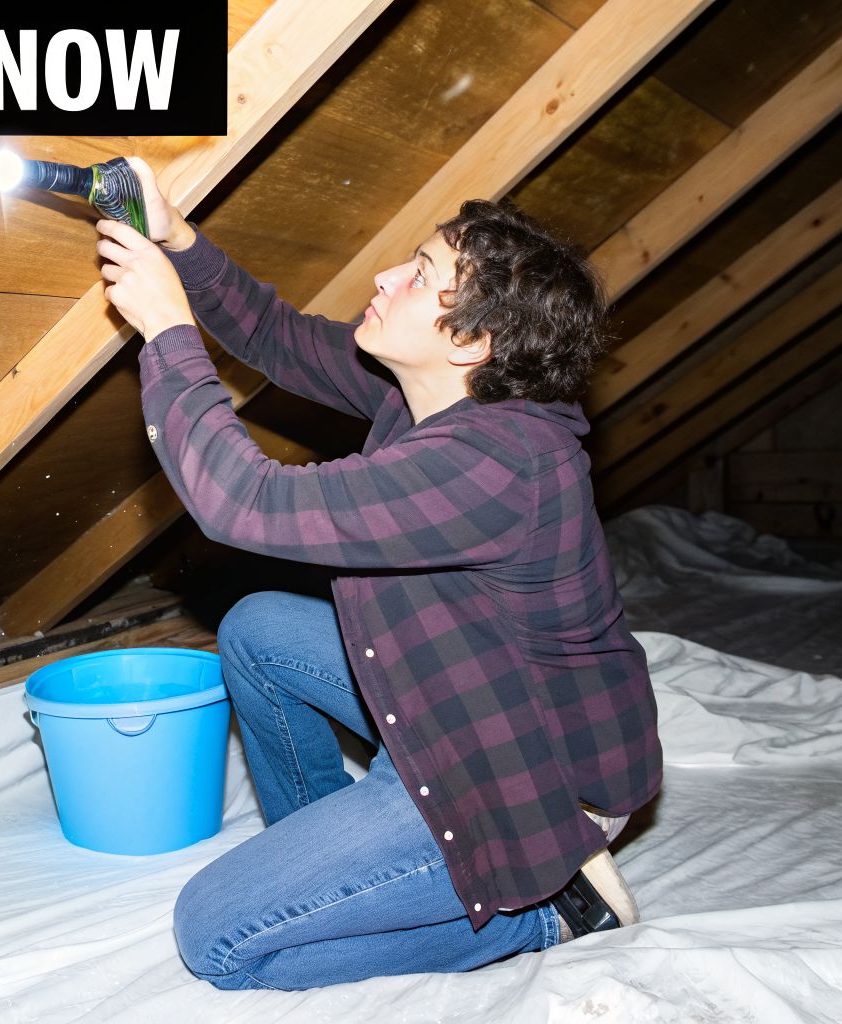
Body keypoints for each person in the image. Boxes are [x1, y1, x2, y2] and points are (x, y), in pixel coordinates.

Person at [93, 156, 661, 991]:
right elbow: (278, 337)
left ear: (472, 339)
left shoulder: (499, 462)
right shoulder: (436, 392)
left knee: (214, 936)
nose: (387, 275)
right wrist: (179, 240)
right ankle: (331, 850)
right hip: (459, 702)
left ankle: (556, 907)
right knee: (257, 629)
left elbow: (242, 502)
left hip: (521, 783)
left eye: (420, 272)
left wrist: (169, 335)